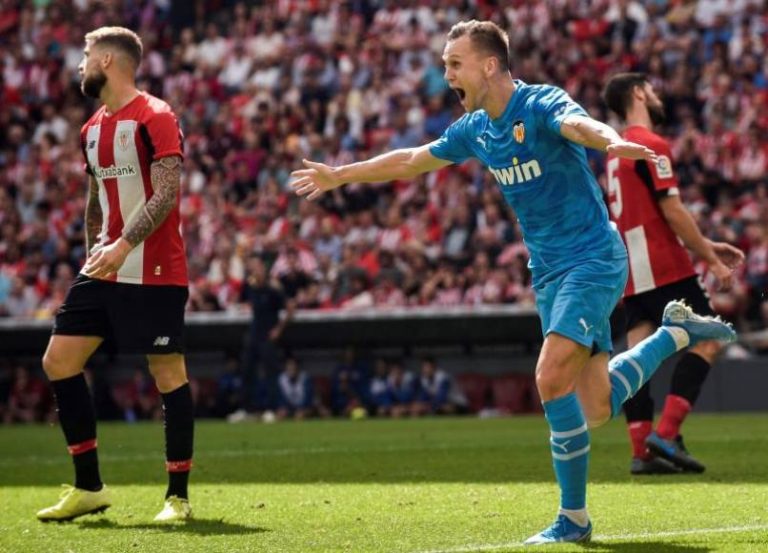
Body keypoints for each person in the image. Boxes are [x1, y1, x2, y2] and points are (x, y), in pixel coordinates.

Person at [291, 20, 737, 544]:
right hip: (548, 271)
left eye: (453, 64)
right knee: (595, 407)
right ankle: (675, 334)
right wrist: (339, 174)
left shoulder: (541, 103)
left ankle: (573, 520)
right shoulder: (476, 128)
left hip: (593, 257)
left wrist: (612, 141)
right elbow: (412, 160)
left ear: (488, 65)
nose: (445, 74)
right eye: (443, 65)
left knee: (549, 378)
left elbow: (580, 126)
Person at [36, 27, 194, 523]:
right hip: (103, 268)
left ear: (108, 59)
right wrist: (92, 256)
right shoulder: (90, 130)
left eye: (85, 56)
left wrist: (124, 243)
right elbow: (94, 204)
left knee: (167, 372)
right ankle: (89, 488)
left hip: (155, 268)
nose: (80, 66)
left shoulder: (157, 115)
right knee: (58, 360)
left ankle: (178, 498)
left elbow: (166, 191)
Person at [602, 73, 745, 475]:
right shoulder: (651, 146)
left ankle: (640, 451)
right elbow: (672, 210)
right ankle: (666, 433)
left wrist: (707, 245)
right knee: (711, 339)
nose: (656, 94)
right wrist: (711, 259)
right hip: (664, 265)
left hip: (632, 272)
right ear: (638, 93)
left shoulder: (613, 151)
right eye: (650, 88)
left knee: (636, 359)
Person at [228, 255, 294, 422]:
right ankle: (246, 409)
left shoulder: (273, 288)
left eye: (257, 267)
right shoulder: (250, 287)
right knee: (247, 371)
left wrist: (278, 330)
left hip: (267, 335)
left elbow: (290, 308)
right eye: (252, 267)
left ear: (263, 269)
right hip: (254, 334)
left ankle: (273, 409)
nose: (254, 270)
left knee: (271, 373)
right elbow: (237, 301)